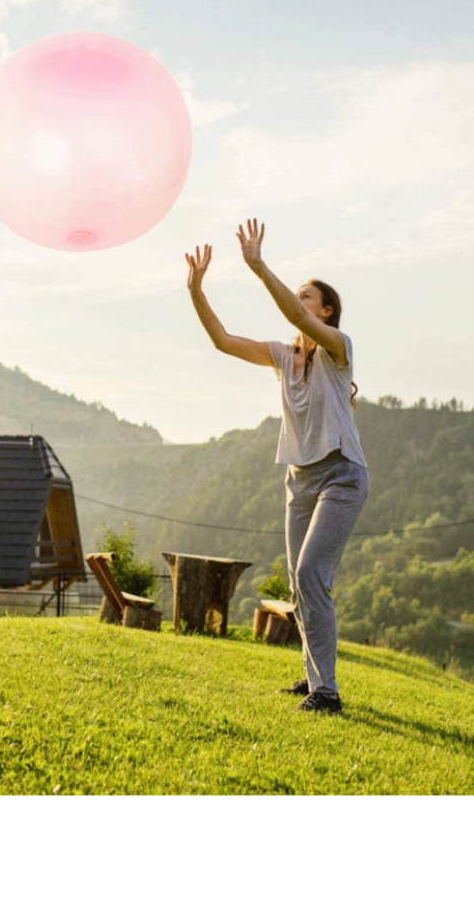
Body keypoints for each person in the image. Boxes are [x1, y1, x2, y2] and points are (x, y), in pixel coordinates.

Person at [185, 218, 369, 714]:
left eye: (308, 296)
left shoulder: (337, 347)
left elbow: (297, 316)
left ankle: (326, 693)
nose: (300, 302)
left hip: (341, 476)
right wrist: (195, 291)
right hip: (300, 480)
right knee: (299, 581)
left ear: (326, 311)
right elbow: (222, 340)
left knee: (311, 573)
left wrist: (259, 266)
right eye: (301, 295)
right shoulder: (283, 357)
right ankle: (314, 679)